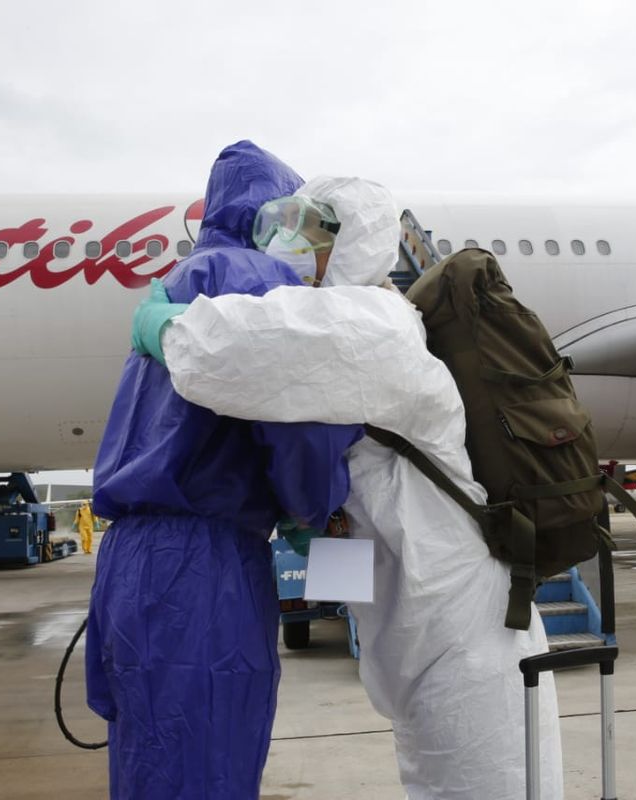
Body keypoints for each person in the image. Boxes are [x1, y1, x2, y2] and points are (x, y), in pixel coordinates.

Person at [136, 176, 564, 799]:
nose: (287, 237)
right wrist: (322, 536)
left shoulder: (372, 323)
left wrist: (166, 327)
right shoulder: (356, 321)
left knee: (491, 785)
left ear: (356, 237)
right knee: (437, 780)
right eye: (279, 219)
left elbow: (237, 353)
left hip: (466, 635)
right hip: (422, 627)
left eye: (307, 222)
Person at [85, 141, 364, 799]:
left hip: (129, 563)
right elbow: (300, 426)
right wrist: (319, 517)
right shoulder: (263, 281)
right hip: (202, 566)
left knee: (148, 759)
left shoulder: (178, 283)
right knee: (205, 762)